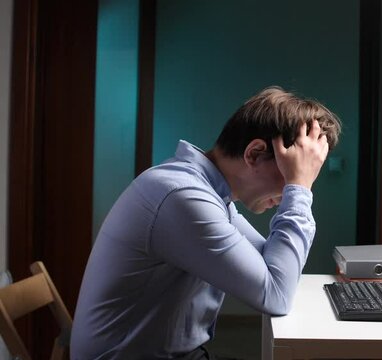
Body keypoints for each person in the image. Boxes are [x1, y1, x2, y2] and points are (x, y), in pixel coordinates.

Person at [70, 86, 341, 359]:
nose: (293, 185)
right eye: (293, 169)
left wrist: (297, 187)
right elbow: (276, 295)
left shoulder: (209, 192)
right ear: (255, 154)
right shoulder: (182, 197)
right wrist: (299, 190)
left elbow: (272, 265)